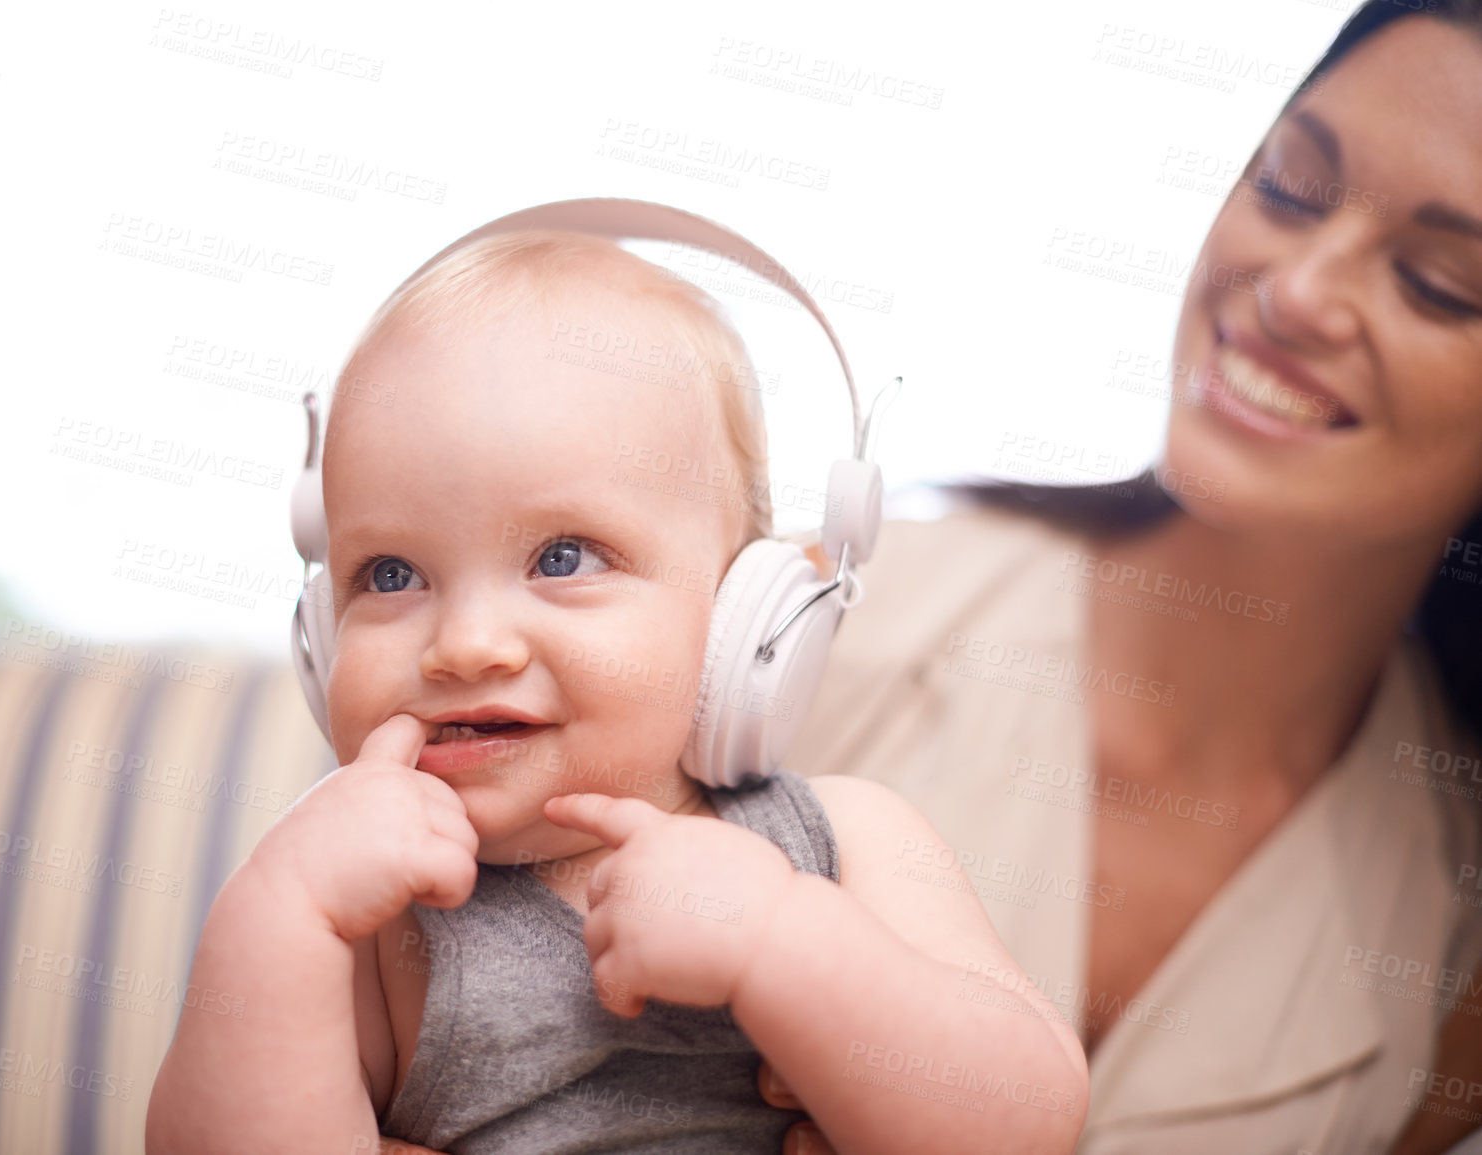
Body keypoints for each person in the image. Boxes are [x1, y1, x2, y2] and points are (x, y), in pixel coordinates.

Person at [144, 231, 1089, 1153]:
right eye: (390, 575)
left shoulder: (842, 845)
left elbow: (1027, 1117)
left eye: (563, 557)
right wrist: (277, 920)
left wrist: (780, 942)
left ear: (740, 618)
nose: (465, 645)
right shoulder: (377, 926)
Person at [764, 1, 1482, 1151]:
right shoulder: (816, 626)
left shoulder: (1454, 944)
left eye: (1441, 284)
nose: (1294, 292)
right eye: (1290, 188)